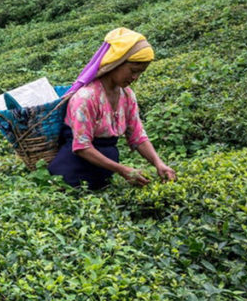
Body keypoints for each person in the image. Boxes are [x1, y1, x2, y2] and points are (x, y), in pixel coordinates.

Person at [48, 28, 177, 190]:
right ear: (117, 62)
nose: (135, 78)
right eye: (133, 71)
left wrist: (159, 163)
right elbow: (82, 147)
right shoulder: (86, 97)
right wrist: (122, 170)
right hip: (72, 176)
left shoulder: (127, 95)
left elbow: (137, 136)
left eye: (140, 73)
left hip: (104, 174)